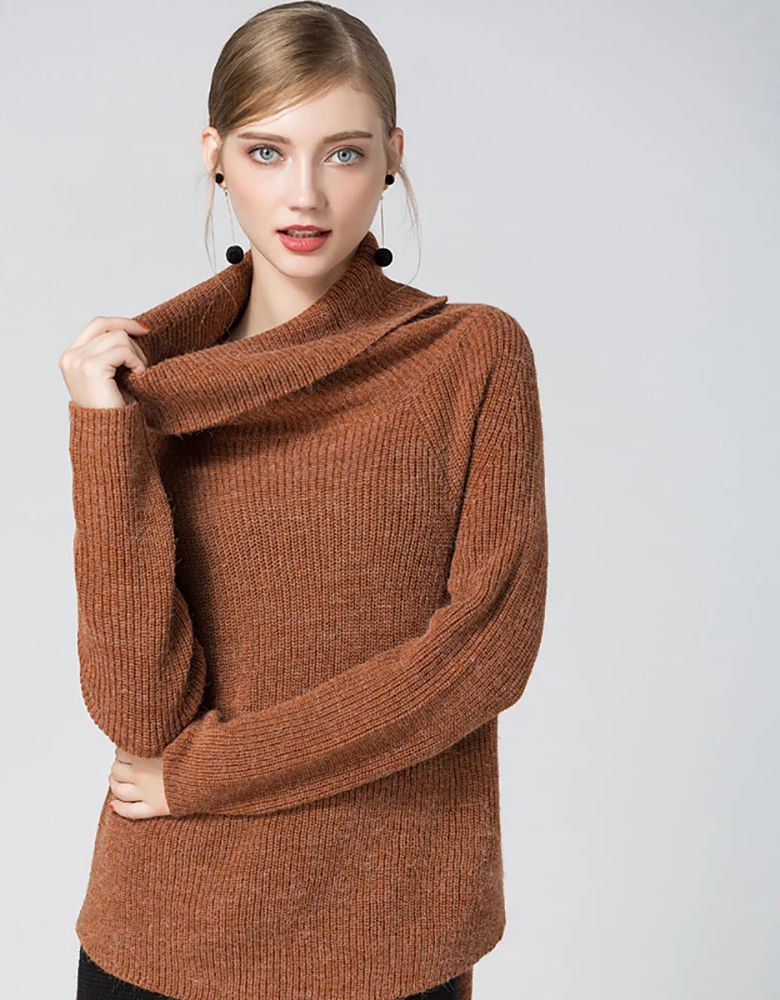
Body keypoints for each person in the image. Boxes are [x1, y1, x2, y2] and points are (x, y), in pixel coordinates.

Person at [58, 4, 548, 1000]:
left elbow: (482, 657)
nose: (306, 193)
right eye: (268, 151)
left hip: (387, 929)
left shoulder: (470, 354)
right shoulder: (146, 388)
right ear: (215, 157)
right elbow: (140, 710)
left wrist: (210, 775)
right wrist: (104, 438)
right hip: (165, 930)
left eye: (344, 153)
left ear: (392, 157)